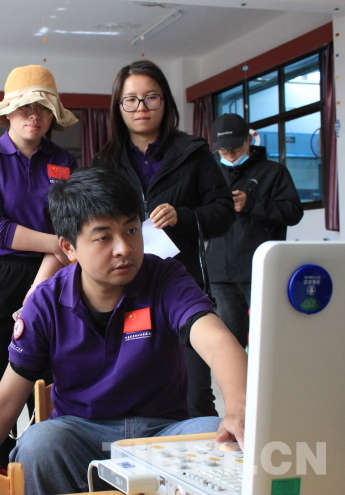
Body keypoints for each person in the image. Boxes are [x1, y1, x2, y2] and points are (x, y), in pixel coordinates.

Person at [0, 168, 247, 495]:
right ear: (69, 247)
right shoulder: (46, 302)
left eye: (132, 230)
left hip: (162, 432)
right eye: (104, 237)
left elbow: (218, 342)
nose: (124, 248)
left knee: (219, 436)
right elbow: (5, 403)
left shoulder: (166, 279)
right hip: (80, 434)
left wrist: (238, 411)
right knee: (39, 443)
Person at [91, 60, 235, 418]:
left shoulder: (193, 153)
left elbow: (223, 212)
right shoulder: (104, 163)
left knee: (194, 394)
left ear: (165, 102)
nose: (141, 107)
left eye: (151, 97)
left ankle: (202, 453)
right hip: (125, 291)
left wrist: (183, 216)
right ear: (118, 107)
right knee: (133, 394)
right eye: (131, 100)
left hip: (181, 286)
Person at [0, 64, 78, 466]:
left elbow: (73, 226)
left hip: (54, 276)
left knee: (49, 379)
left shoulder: (65, 162)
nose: (35, 115)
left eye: (44, 108)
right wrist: (61, 243)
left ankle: (43, 466)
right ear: (7, 113)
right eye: (26, 106)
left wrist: (40, 284)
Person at [207, 113, 303, 349]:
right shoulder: (209, 173)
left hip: (261, 268)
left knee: (269, 336)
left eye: (235, 147)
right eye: (223, 149)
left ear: (249, 140)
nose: (230, 154)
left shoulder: (274, 172)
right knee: (229, 343)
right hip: (220, 273)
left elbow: (293, 213)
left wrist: (251, 204)